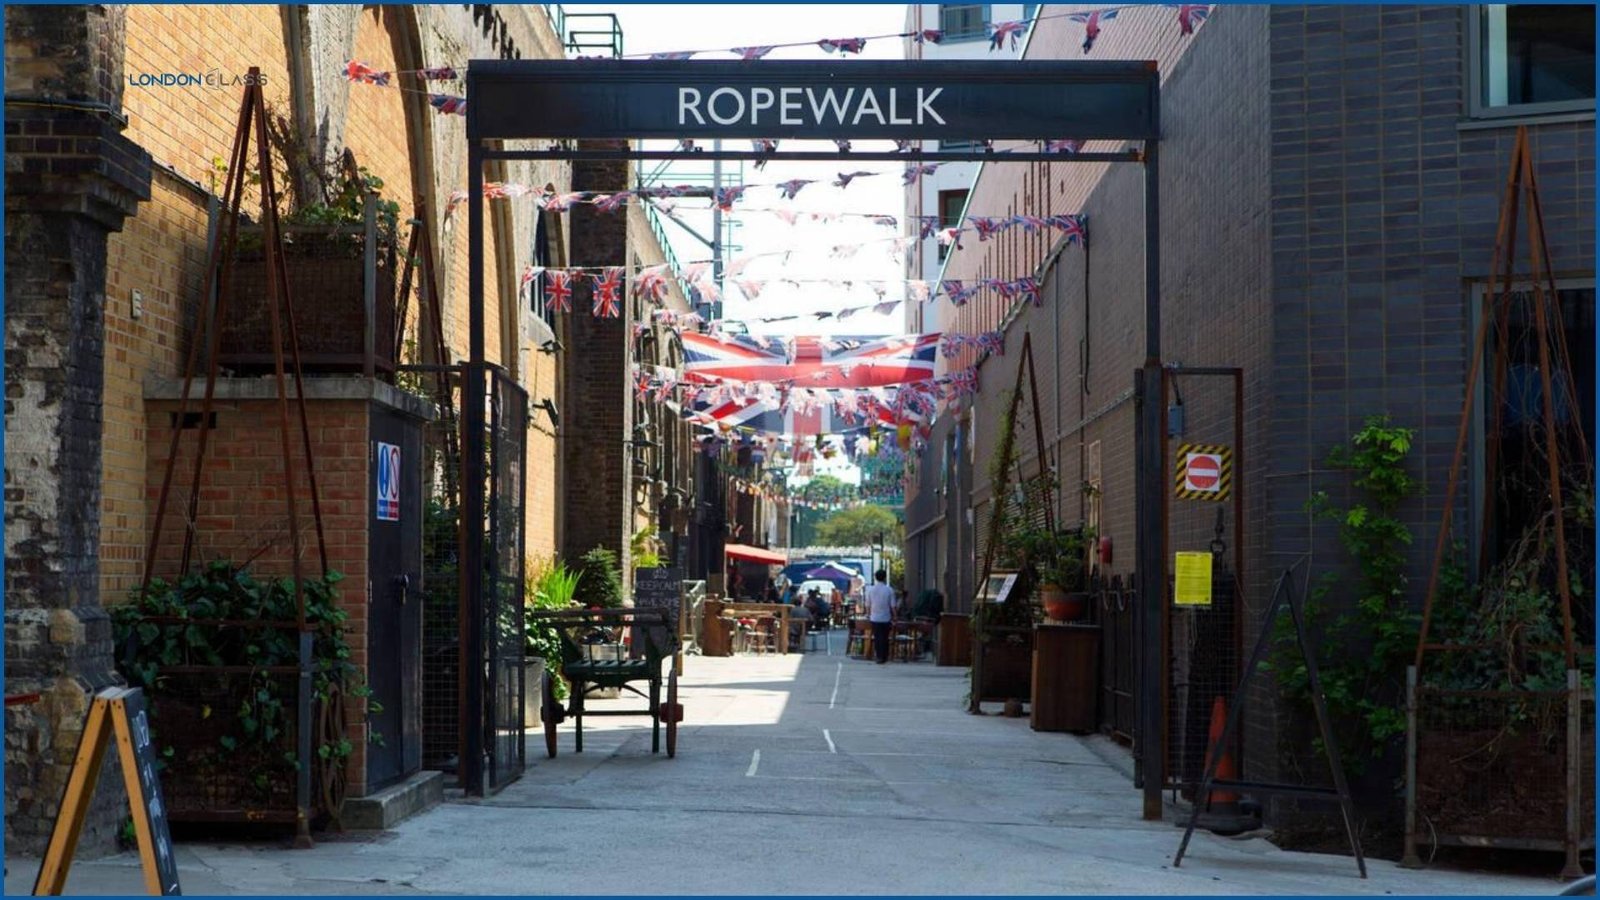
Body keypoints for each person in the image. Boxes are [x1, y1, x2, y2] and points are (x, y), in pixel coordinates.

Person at [864, 569, 896, 665]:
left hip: (874, 617)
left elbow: (868, 604)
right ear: (885, 577)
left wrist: (868, 614)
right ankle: (884, 656)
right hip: (886, 617)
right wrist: (895, 616)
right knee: (885, 637)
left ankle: (878, 656)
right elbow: (893, 605)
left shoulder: (871, 590)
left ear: (875, 578)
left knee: (877, 637)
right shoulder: (889, 590)